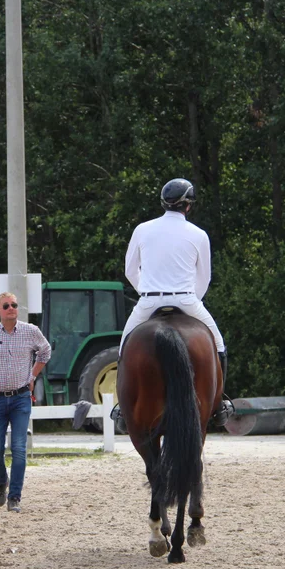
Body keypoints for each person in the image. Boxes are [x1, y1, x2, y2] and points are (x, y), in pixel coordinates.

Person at [114, 178, 234, 428]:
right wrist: (191, 300)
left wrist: (146, 292)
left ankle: (123, 408)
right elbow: (204, 277)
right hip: (187, 300)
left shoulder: (142, 229)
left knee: (124, 347)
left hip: (148, 302)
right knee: (219, 344)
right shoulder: (199, 235)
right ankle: (219, 403)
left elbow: (129, 270)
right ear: (188, 206)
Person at [0, 292, 51, 513]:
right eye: (6, 305)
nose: (11, 308)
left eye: (14, 304)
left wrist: (33, 375)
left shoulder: (31, 331)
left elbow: (45, 351)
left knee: (19, 448)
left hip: (21, 398)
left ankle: (15, 496)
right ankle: (1, 480)